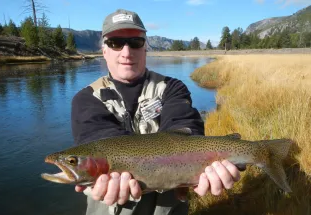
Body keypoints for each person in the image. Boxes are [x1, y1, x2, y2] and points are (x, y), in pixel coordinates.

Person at [71, 9, 241, 215]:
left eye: (135, 42)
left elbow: (184, 126)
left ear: (145, 48)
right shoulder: (86, 98)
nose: (126, 52)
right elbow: (101, 140)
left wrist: (203, 165)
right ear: (104, 50)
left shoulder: (172, 87)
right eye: (115, 42)